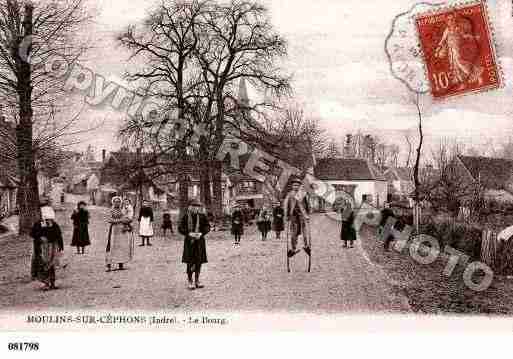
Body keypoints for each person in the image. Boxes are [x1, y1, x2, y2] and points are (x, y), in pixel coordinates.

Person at [179, 198, 210, 290]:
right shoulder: (185, 217)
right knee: (190, 261)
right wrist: (189, 233)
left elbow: (207, 227)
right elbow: (180, 228)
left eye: (197, 207)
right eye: (193, 206)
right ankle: (190, 281)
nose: (196, 208)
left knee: (199, 261)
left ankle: (197, 280)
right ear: (189, 207)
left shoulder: (202, 216)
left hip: (199, 242)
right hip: (189, 242)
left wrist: (201, 233)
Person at [31, 205, 64, 290]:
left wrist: (60, 246)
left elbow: (59, 235)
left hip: (52, 248)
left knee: (51, 265)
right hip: (41, 248)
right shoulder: (38, 224)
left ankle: (52, 283)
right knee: (43, 265)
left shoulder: (54, 225)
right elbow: (33, 234)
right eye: (47, 218)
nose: (49, 220)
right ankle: (45, 283)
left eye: (50, 219)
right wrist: (40, 237)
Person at [283, 177, 311, 257]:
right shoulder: (290, 194)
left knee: (305, 232)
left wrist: (307, 214)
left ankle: (306, 246)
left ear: (299, 186)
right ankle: (293, 249)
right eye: (294, 185)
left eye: (297, 185)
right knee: (293, 234)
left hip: (302, 216)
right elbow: (286, 205)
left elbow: (307, 204)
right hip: (293, 216)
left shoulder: (303, 194)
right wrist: (287, 216)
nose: (296, 187)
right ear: (292, 186)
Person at [105, 196, 133, 272]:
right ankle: (108, 265)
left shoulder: (123, 210)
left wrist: (127, 222)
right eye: (115, 201)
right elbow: (110, 219)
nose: (117, 203)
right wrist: (121, 220)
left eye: (118, 202)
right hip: (114, 230)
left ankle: (121, 264)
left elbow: (128, 218)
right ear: (113, 202)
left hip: (122, 230)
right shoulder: (111, 210)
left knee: (122, 246)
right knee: (112, 246)